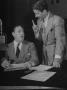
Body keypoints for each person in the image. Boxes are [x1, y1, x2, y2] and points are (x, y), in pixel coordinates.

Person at [32, 0, 66, 68]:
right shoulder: (39, 21)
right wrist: (36, 32)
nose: (36, 16)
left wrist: (57, 59)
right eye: (35, 13)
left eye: (37, 13)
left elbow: (60, 41)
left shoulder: (57, 20)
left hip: (54, 55)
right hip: (44, 55)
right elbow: (42, 39)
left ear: (44, 11)